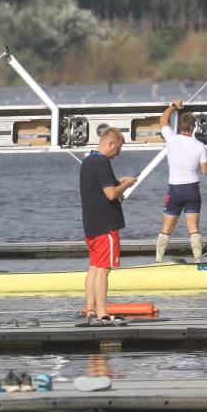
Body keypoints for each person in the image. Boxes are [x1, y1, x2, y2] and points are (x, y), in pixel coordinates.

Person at [79, 127, 137, 324]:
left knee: (94, 268)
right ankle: (103, 313)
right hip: (105, 226)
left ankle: (91, 311)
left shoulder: (88, 161)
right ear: (110, 144)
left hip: (91, 224)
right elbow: (111, 194)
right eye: (118, 148)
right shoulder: (102, 162)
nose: (118, 153)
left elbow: (102, 187)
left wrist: (118, 182)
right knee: (103, 269)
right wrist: (127, 184)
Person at [154, 99, 207, 263]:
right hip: (192, 190)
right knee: (193, 228)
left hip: (175, 191)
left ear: (179, 126)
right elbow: (206, 171)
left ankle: (158, 261)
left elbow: (163, 120)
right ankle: (198, 260)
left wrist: (173, 105)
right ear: (193, 128)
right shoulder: (200, 145)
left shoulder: (171, 138)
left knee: (167, 228)